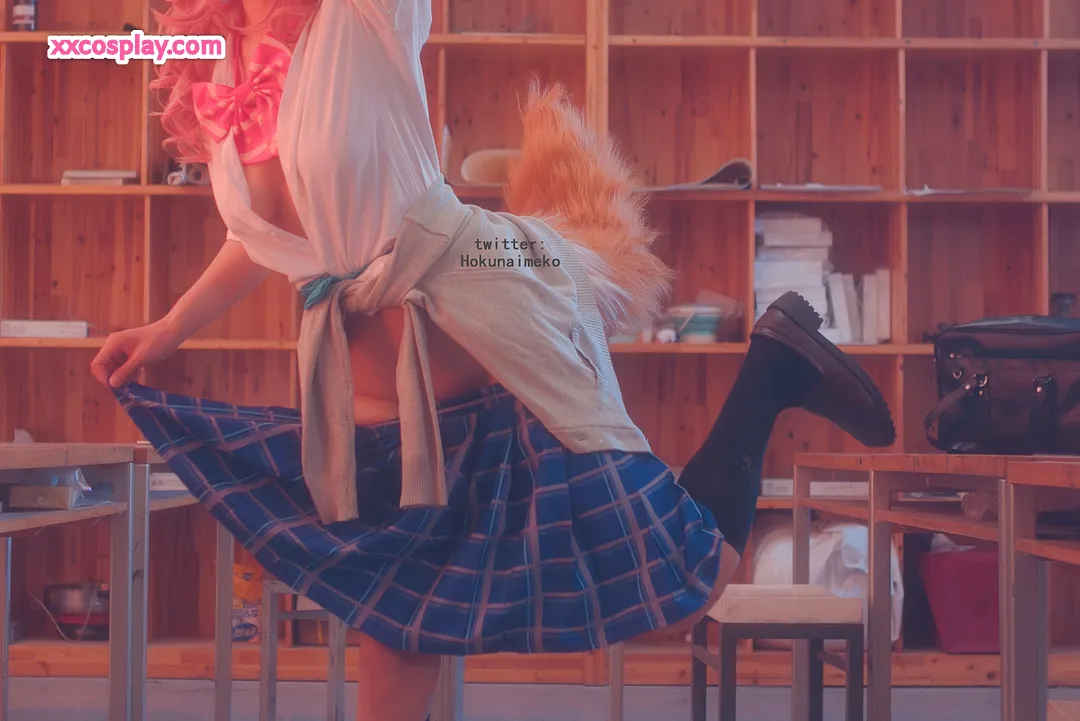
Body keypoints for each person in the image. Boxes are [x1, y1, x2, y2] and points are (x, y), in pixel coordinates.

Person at [90, 0, 896, 718]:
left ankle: (769, 375)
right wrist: (168, 327)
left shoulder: (362, 15)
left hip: (487, 323)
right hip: (370, 390)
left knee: (689, 582)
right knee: (400, 626)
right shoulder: (223, 54)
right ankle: (774, 368)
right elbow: (265, 233)